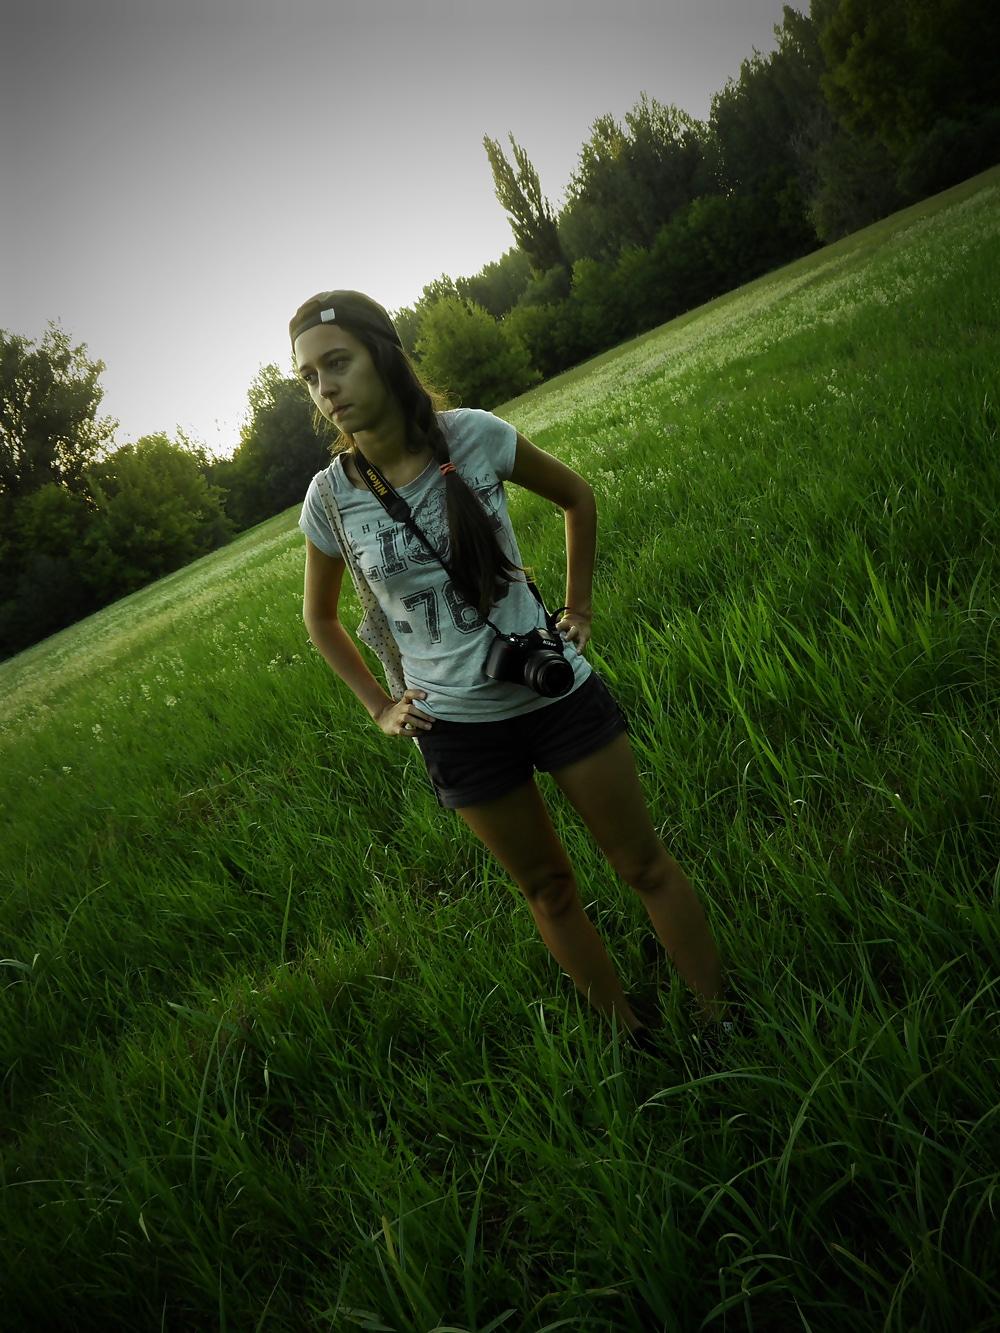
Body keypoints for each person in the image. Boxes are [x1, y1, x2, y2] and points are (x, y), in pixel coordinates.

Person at [292, 289, 728, 1054]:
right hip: (458, 731)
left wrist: (578, 608)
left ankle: (724, 1017)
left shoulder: (473, 435)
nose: (324, 388)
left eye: (337, 363)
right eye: (308, 376)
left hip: (555, 694)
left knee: (643, 863)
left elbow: (576, 496)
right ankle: (632, 1038)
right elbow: (319, 619)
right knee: (549, 890)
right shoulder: (331, 498)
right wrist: (380, 705)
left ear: (383, 357)